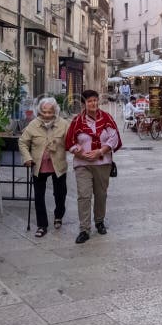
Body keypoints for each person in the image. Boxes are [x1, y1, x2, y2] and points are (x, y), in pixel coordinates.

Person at [65, 89, 122, 244]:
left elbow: (114, 137)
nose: (93, 103)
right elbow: (70, 142)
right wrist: (80, 153)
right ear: (84, 103)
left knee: (101, 194)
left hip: (102, 163)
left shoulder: (107, 118)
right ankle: (84, 229)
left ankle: (99, 221)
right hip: (83, 164)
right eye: (90, 101)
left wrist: (101, 151)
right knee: (84, 195)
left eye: (95, 100)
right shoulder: (77, 121)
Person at [19, 97, 69, 238]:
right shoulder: (33, 125)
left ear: (55, 111)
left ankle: (58, 215)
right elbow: (22, 142)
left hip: (58, 164)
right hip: (38, 165)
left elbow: (72, 139)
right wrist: (27, 158)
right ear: (39, 111)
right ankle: (42, 225)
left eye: (50, 112)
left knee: (60, 194)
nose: (47, 115)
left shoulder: (64, 124)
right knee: (39, 197)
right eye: (44, 112)